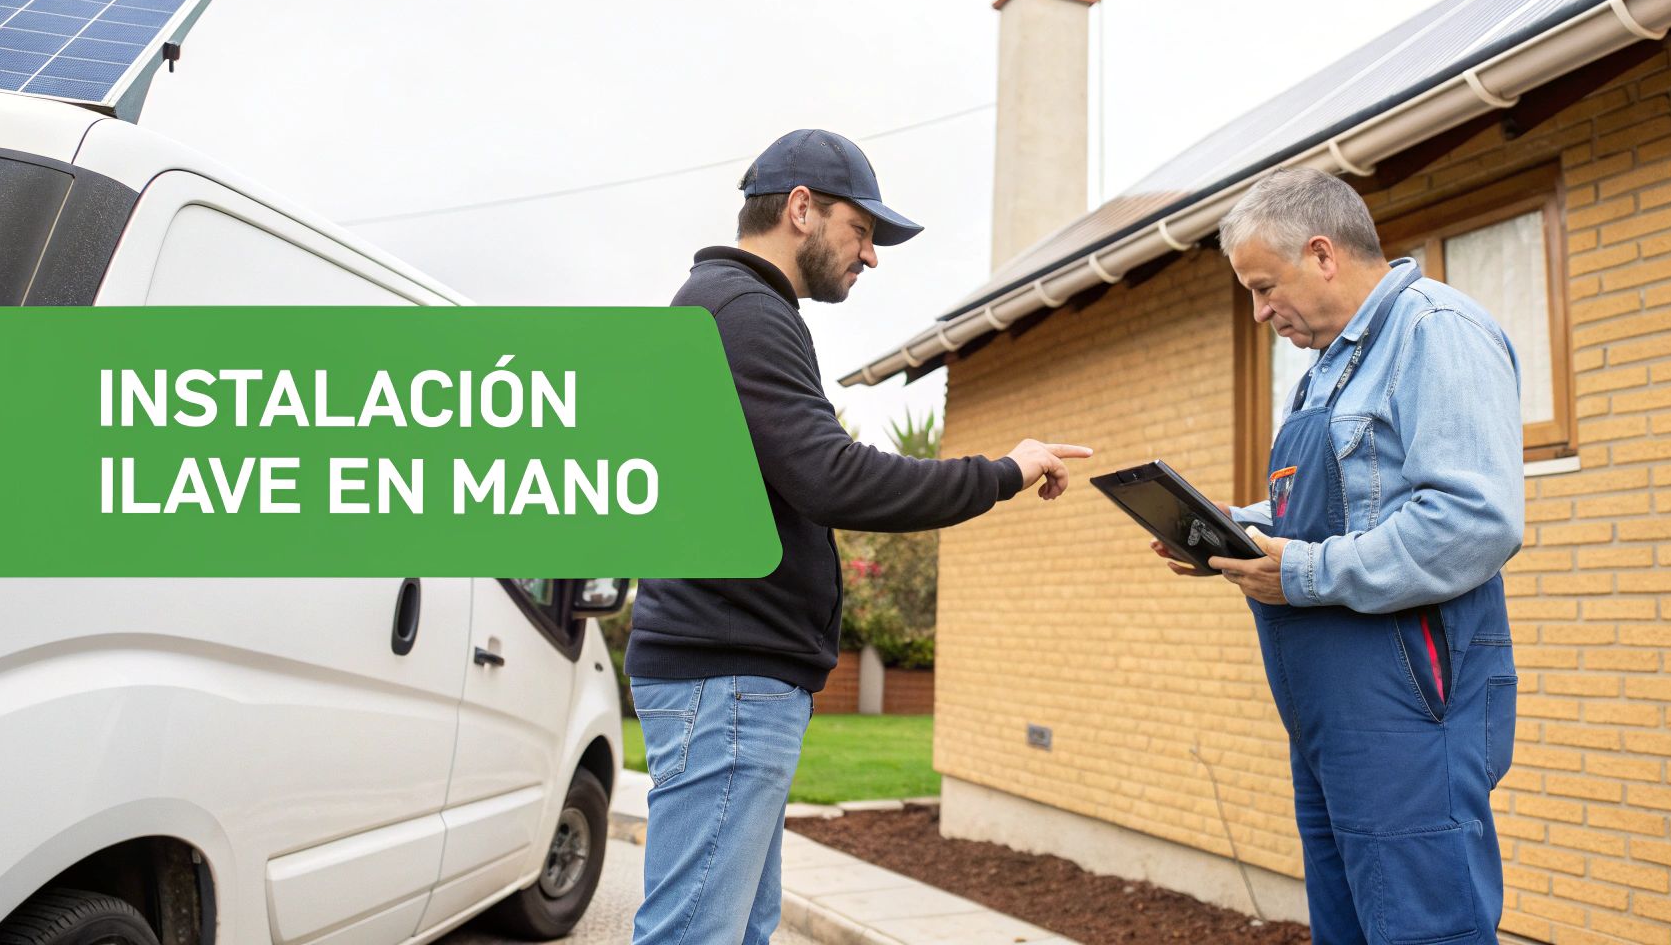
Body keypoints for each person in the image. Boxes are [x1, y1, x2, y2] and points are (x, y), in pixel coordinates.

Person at [625, 128, 1091, 945]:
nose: (870, 256)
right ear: (801, 209)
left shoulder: (728, 308)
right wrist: (1003, 471)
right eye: (862, 231)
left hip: (733, 676)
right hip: (728, 678)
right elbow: (835, 477)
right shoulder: (742, 313)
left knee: (735, 932)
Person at [1155, 167, 1522, 944]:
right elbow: (1335, 508)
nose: (1258, 314)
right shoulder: (1326, 367)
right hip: (1328, 710)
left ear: (1322, 253)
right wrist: (1232, 529)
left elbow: (1473, 519)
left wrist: (1298, 572)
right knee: (1350, 928)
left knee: (1424, 928)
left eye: (1263, 287)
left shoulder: (1435, 332)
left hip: (1409, 704)